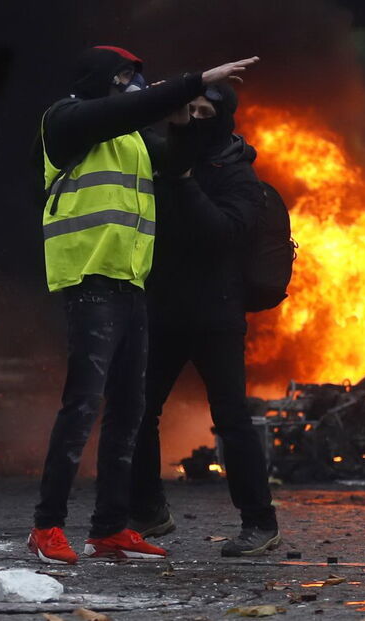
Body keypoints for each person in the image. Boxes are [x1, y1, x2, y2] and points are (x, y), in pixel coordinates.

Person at [29, 45, 259, 565]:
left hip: (130, 283)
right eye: (124, 77)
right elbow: (122, 110)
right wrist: (193, 80)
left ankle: (110, 527)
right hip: (89, 277)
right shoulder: (64, 120)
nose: (133, 86)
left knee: (129, 411)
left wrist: (184, 123)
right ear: (99, 79)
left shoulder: (134, 139)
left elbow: (177, 162)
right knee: (82, 405)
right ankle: (47, 526)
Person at [129, 84, 281, 556]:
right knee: (138, 410)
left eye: (204, 111)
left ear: (223, 117)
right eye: (188, 109)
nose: (194, 118)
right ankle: (148, 510)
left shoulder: (239, 175)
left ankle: (260, 522)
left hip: (216, 314)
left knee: (231, 418)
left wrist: (184, 180)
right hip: (164, 308)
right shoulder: (165, 158)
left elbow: (222, 234)